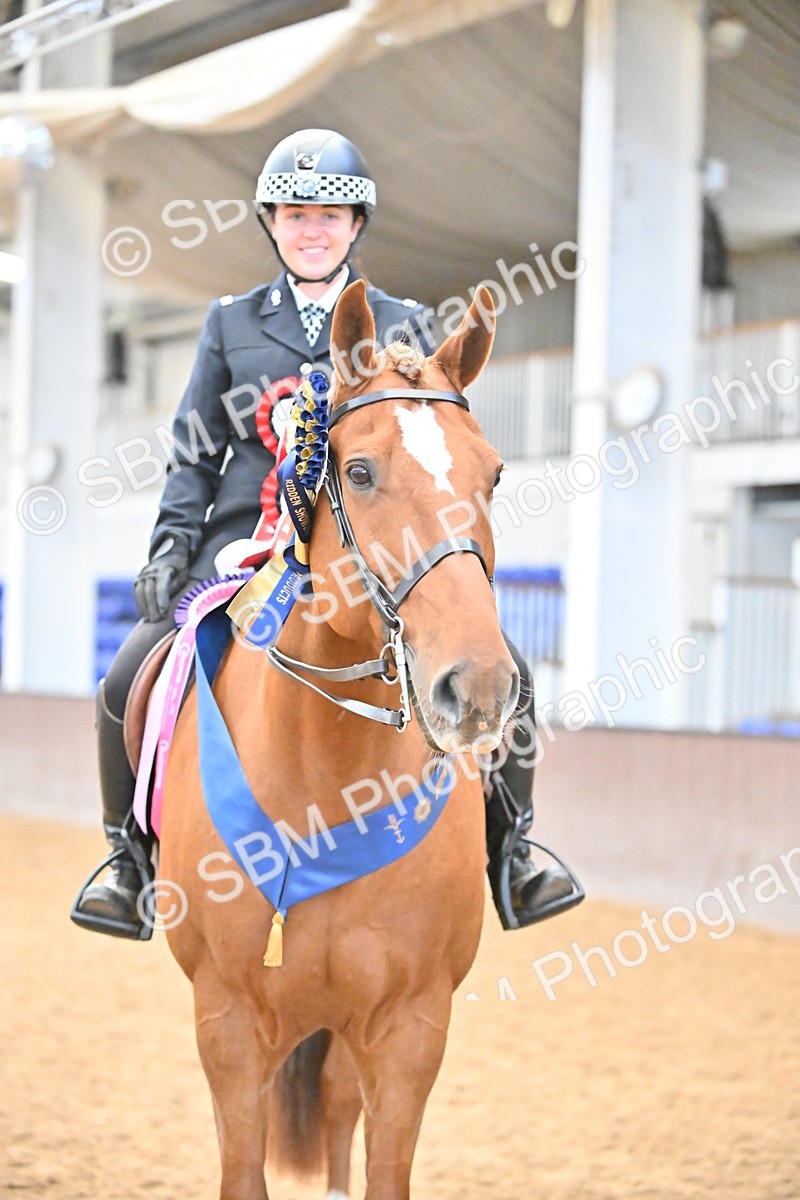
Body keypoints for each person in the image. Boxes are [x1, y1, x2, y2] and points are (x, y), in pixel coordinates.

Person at [71, 129, 582, 940]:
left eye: (332, 215)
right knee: (125, 674)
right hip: (243, 549)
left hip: (366, 550)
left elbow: (426, 454)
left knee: (503, 664)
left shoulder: (403, 322)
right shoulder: (230, 323)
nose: (314, 229)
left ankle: (512, 851)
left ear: (356, 227)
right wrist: (171, 548)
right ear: (273, 222)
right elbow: (196, 454)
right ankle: (126, 862)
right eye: (298, 213)